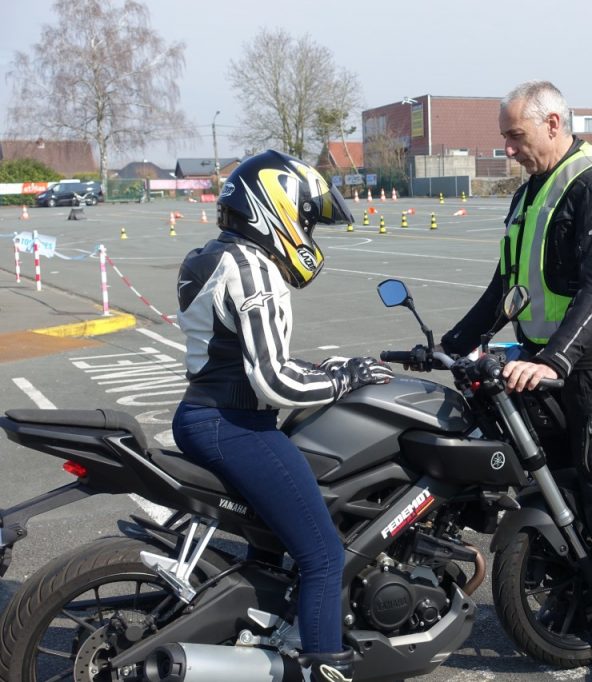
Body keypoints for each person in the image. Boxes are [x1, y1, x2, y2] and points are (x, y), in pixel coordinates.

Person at [440, 81, 592, 682]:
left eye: (515, 136)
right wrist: (447, 348)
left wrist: (558, 360)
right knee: (545, 485)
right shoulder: (530, 194)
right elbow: (505, 288)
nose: (509, 149)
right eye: (505, 138)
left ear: (552, 122)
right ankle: (582, 601)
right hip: (541, 361)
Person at [172, 149, 393, 682]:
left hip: (205, 413)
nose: (310, 231)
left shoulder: (216, 255)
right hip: (233, 423)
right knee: (323, 556)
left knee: (274, 542)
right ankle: (324, 669)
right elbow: (273, 381)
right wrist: (346, 377)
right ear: (276, 209)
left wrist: (327, 367)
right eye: (308, 219)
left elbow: (240, 353)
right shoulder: (255, 272)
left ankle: (265, 635)